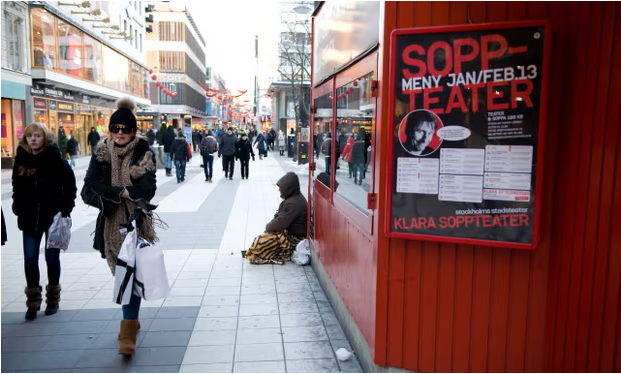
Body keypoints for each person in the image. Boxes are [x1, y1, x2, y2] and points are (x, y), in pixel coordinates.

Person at [81, 97, 158, 356]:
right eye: (116, 128)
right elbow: (88, 189)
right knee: (121, 273)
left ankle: (127, 332)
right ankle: (132, 317)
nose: (120, 133)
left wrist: (125, 193)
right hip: (110, 224)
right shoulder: (101, 153)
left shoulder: (144, 153)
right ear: (110, 129)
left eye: (126, 129)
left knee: (130, 274)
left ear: (134, 131)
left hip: (136, 222)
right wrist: (122, 192)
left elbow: (149, 189)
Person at [12, 122, 77, 321]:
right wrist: (18, 207)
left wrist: (65, 209)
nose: (33, 139)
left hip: (53, 218)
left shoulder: (56, 160)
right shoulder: (21, 160)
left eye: (37, 136)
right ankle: (33, 302)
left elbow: (70, 187)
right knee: (30, 259)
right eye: (30, 136)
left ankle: (53, 299)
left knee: (51, 258)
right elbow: (16, 187)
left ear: (45, 138)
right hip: (29, 218)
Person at [244, 172, 307, 265]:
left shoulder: (293, 203)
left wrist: (268, 227)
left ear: (288, 188)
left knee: (262, 240)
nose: (279, 190)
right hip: (291, 234)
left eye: (281, 188)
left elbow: (280, 223)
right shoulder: (294, 199)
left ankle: (258, 254)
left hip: (294, 239)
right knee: (264, 237)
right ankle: (258, 252)